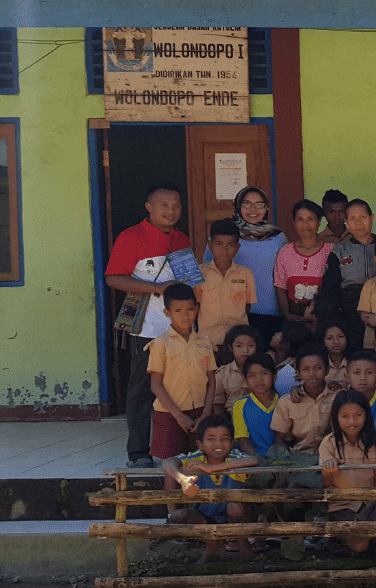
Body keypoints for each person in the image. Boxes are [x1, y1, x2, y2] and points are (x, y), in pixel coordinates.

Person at [105, 181, 193, 467]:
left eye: (176, 205)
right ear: (149, 207)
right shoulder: (131, 237)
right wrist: (157, 288)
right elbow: (113, 278)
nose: (171, 211)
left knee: (181, 386)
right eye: (164, 205)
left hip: (179, 327)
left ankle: (179, 448)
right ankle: (139, 452)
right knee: (142, 389)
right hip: (146, 328)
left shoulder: (181, 239)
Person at [161, 414, 257, 561]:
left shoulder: (234, 456)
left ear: (232, 443)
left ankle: (242, 544)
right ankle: (213, 544)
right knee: (180, 516)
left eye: (224, 439)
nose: (218, 444)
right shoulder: (196, 458)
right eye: (210, 439)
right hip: (204, 515)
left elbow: (254, 460)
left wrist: (212, 468)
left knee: (235, 508)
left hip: (235, 516)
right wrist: (182, 479)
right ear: (200, 444)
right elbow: (168, 462)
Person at [205, 186, 287, 341]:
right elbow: (208, 273)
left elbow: (285, 274)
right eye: (247, 204)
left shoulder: (278, 237)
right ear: (238, 206)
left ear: (266, 207)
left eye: (259, 204)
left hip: (271, 312)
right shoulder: (224, 235)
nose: (253, 209)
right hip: (234, 315)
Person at [319, 390, 376, 555]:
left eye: (358, 415)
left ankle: (368, 539)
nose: (351, 421)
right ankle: (340, 541)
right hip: (343, 504)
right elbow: (325, 484)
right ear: (336, 417)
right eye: (345, 416)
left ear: (366, 415)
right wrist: (329, 467)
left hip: (373, 502)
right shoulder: (329, 443)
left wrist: (367, 511)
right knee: (361, 546)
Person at [147, 283, 217, 461]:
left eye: (190, 309)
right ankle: (171, 491)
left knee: (199, 461)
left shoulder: (205, 342)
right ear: (167, 313)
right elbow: (155, 384)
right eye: (178, 311)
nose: (185, 315)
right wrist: (178, 415)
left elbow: (211, 380)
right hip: (169, 414)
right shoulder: (160, 344)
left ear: (197, 309)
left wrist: (206, 414)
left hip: (200, 413)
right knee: (171, 465)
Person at [318, 199, 376, 346]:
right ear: (346, 221)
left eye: (363, 217)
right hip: (349, 313)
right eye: (352, 218)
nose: (358, 222)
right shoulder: (339, 251)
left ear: (372, 217)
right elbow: (330, 289)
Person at [269, 343, 338, 465]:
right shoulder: (287, 402)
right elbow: (279, 439)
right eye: (306, 369)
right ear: (298, 373)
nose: (312, 373)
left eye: (318, 368)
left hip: (332, 457)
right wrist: (288, 462)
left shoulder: (338, 396)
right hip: (298, 458)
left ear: (327, 370)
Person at [194, 219, 255, 350]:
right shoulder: (200, 273)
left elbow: (247, 306)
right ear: (210, 245)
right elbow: (195, 306)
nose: (224, 250)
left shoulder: (245, 274)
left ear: (237, 248)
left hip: (238, 344)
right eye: (218, 244)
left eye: (230, 245)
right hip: (208, 341)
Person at [273, 199, 332, 327]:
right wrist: (287, 314)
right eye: (300, 219)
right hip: (294, 322)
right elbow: (280, 286)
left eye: (311, 219)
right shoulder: (285, 251)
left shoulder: (331, 251)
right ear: (294, 223)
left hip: (323, 322)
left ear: (319, 222)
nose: (305, 224)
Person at [230, 353, 277, 461]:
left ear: (274, 375)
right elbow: (243, 441)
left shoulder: (283, 402)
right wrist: (261, 463)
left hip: (278, 459)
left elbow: (285, 440)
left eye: (264, 373)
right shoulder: (240, 405)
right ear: (245, 379)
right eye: (252, 375)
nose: (258, 379)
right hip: (251, 460)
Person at [210, 325, 264, 414]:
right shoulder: (222, 374)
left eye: (251, 345)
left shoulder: (264, 370)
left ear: (256, 347)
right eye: (239, 346)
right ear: (231, 348)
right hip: (232, 419)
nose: (245, 350)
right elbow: (218, 405)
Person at [315, 319, 352, 387]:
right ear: (322, 341)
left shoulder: (354, 362)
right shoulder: (316, 363)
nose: (336, 342)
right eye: (330, 338)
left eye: (340, 337)